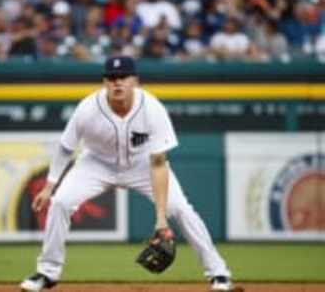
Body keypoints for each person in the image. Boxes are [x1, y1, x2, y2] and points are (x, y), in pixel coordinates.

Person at [20, 56, 234, 292]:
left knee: (182, 209)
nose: (117, 82)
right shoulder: (88, 108)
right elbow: (66, 148)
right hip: (96, 164)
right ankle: (47, 273)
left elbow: (159, 164)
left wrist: (161, 220)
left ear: (135, 81)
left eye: (123, 77)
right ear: (104, 82)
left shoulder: (152, 109)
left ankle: (218, 273)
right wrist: (50, 186)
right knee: (60, 202)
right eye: (112, 78)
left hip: (142, 164)